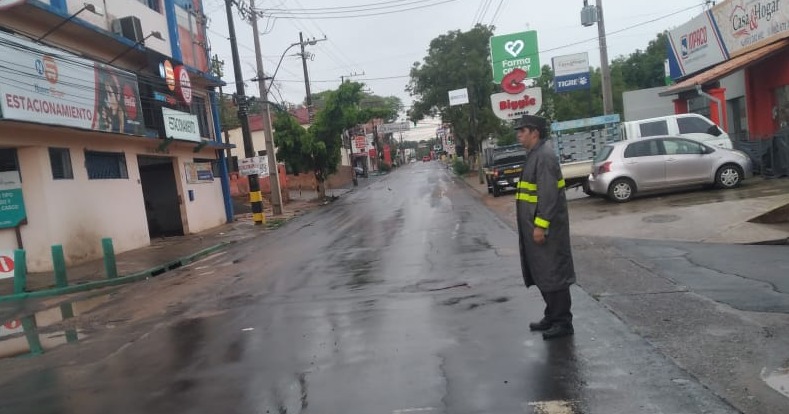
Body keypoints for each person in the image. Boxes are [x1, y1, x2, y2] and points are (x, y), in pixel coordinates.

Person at [513, 114, 576, 340]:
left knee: (553, 272)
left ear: (535, 132)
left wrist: (541, 226)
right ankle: (552, 315)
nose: (519, 135)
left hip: (547, 230)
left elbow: (548, 195)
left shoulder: (545, 157)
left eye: (522, 131)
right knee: (543, 272)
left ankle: (562, 321)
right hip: (536, 229)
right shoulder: (534, 155)